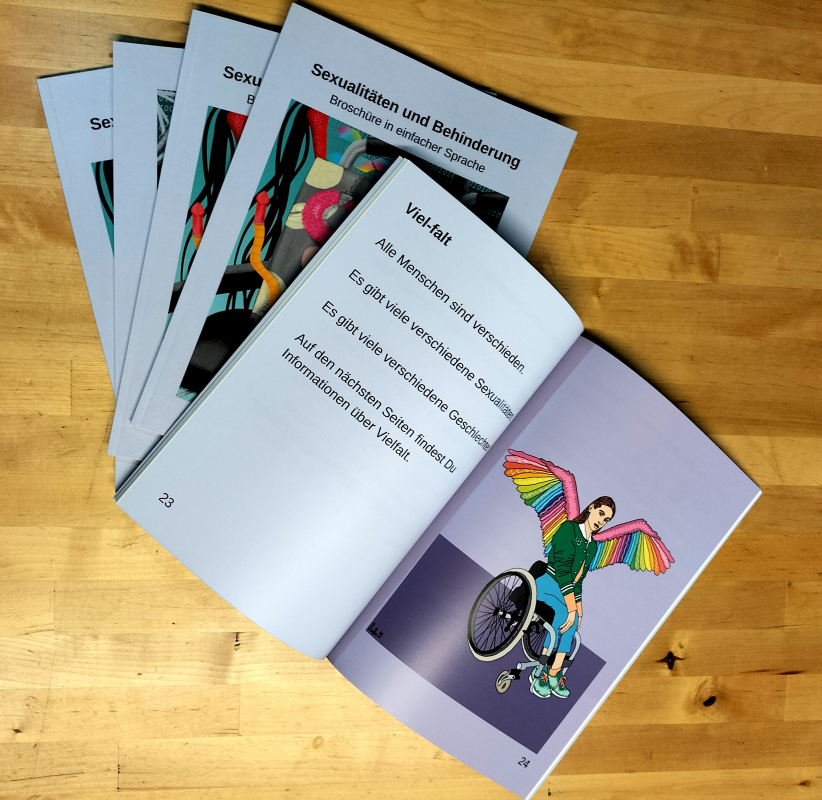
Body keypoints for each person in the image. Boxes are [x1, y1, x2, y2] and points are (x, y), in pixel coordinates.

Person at [530, 497, 615, 699]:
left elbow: (579, 579)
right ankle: (542, 671)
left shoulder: (591, 546)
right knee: (563, 614)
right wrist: (571, 607)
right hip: (548, 582)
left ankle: (553, 671)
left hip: (565, 591)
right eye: (601, 514)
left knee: (574, 620)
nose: (601, 521)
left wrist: (579, 608)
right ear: (591, 508)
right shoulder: (568, 529)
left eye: (606, 520)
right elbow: (562, 571)